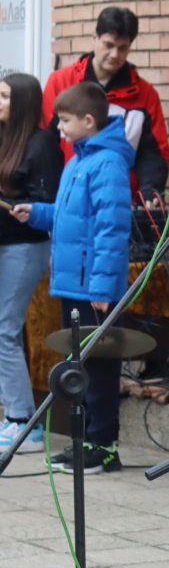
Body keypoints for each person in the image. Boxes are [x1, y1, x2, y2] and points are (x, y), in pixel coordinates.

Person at [12, 83, 134, 475]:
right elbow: (73, 219)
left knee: (98, 369)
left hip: (93, 288)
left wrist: (101, 287)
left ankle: (104, 447)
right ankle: (83, 444)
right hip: (72, 283)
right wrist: (39, 213)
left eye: (65, 121)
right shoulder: (77, 161)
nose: (59, 128)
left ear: (88, 120)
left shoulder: (108, 163)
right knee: (79, 369)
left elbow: (111, 230)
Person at [43, 6, 169, 201]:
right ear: (94, 38)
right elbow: (46, 145)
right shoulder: (60, 82)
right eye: (108, 45)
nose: (114, 54)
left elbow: (153, 155)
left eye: (122, 48)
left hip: (118, 200)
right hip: (67, 199)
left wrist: (149, 193)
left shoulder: (146, 95)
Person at [0, 74, 63, 451]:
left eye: (4, 96)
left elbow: (48, 201)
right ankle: (13, 413)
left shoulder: (40, 144)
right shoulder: (4, 137)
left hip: (23, 249)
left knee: (5, 329)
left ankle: (23, 422)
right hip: (5, 245)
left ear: (21, 102)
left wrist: (19, 208)